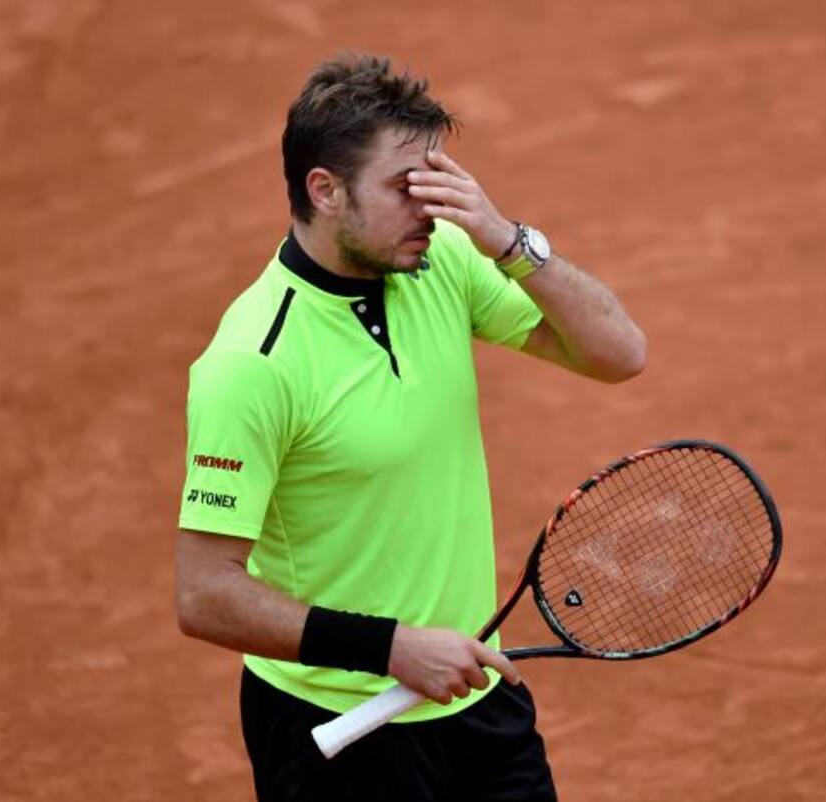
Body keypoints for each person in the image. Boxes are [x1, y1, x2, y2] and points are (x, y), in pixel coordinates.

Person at [175, 53, 646, 802]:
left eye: (436, 182)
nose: (429, 209)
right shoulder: (252, 364)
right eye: (404, 188)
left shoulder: (443, 262)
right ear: (324, 191)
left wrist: (504, 237)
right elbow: (204, 595)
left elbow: (619, 353)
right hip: (340, 725)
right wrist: (390, 649)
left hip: (474, 694)